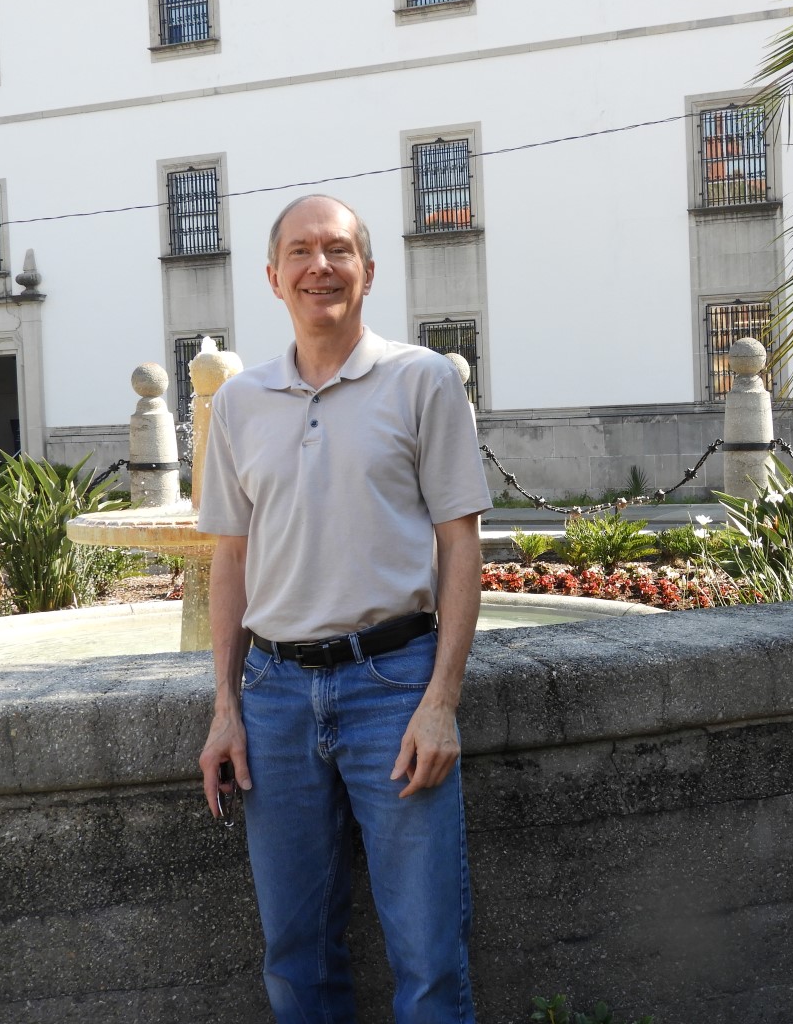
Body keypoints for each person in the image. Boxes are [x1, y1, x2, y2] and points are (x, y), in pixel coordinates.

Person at [196, 194, 490, 1024]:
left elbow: (459, 545)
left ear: (368, 270)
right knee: (295, 960)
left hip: (394, 688)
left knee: (430, 959)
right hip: (276, 699)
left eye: (336, 250)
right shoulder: (241, 404)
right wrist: (226, 708)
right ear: (273, 276)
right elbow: (232, 557)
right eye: (299, 251)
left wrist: (441, 703)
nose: (318, 266)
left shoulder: (424, 379)